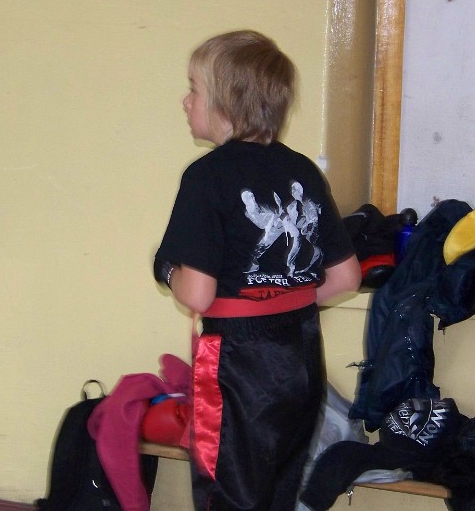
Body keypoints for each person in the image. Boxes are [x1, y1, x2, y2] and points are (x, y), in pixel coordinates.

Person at [153, 30, 361, 511]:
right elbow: (345, 277)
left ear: (225, 101)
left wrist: (166, 269)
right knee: (277, 495)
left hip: (238, 365)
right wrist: (278, 299)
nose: (186, 101)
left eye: (194, 89)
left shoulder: (206, 176)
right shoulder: (303, 171)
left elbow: (197, 294)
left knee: (228, 495)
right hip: (301, 357)